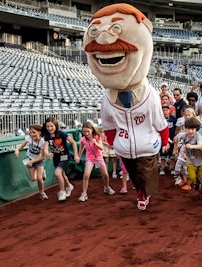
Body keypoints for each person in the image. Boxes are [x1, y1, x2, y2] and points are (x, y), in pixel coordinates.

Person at [83, 3, 169, 211]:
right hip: (125, 147)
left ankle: (144, 194)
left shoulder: (150, 96)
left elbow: (159, 121)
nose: (103, 38)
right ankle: (140, 191)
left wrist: (164, 140)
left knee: (146, 174)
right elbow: (109, 124)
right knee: (132, 173)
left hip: (148, 144)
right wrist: (114, 141)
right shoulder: (107, 98)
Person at [43, 117, 79, 201]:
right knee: (62, 174)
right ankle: (69, 186)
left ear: (55, 125)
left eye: (51, 126)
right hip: (56, 158)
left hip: (64, 156)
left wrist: (76, 155)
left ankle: (62, 191)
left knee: (57, 173)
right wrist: (47, 153)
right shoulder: (47, 136)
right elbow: (45, 148)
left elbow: (73, 142)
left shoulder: (61, 134)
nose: (50, 128)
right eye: (48, 126)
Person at [77, 121, 115, 202]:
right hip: (89, 159)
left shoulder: (97, 136)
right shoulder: (83, 139)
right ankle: (84, 193)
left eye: (88, 131)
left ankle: (107, 187)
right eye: (84, 132)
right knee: (86, 175)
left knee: (106, 175)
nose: (86, 133)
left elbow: (101, 147)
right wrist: (78, 156)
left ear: (92, 130)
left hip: (99, 158)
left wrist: (95, 143)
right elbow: (81, 147)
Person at [173, 118, 202, 199]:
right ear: (186, 128)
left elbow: (200, 145)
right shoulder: (184, 135)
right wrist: (175, 148)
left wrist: (191, 146)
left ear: (196, 129)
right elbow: (175, 138)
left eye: (192, 129)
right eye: (188, 129)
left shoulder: (198, 136)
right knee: (191, 176)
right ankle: (196, 182)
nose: (190, 131)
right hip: (190, 160)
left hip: (201, 160)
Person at [14, 124, 47, 200]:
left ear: (39, 132)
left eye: (34, 132)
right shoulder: (28, 138)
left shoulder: (42, 142)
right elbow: (21, 147)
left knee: (39, 179)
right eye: (30, 132)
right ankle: (42, 172)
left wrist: (33, 161)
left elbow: (43, 156)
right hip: (29, 159)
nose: (32, 134)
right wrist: (17, 150)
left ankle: (42, 193)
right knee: (33, 179)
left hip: (39, 160)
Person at [159, 105, 176, 175]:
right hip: (163, 140)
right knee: (163, 154)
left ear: (169, 111)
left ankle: (172, 167)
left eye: (166, 110)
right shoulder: (159, 119)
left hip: (171, 140)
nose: (165, 112)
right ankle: (162, 168)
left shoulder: (172, 118)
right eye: (163, 110)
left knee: (172, 155)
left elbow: (175, 128)